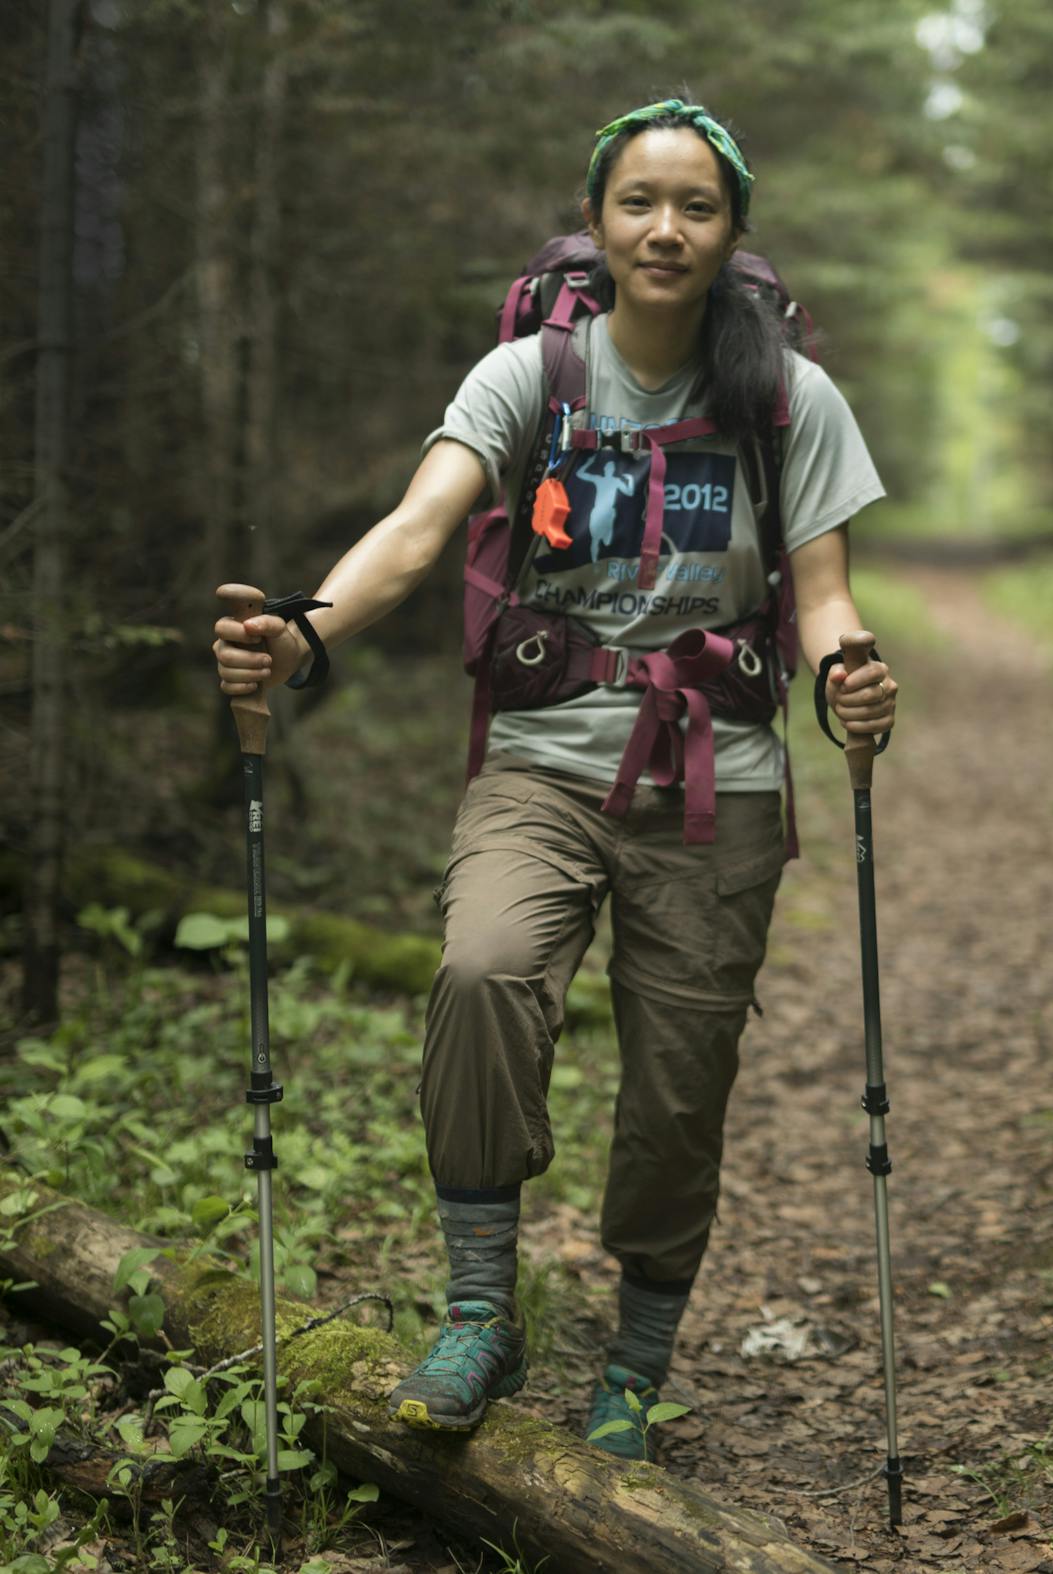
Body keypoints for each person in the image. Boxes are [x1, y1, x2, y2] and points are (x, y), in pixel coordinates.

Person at [213, 97, 898, 1462]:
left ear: (730, 234)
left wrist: (851, 675)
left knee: (678, 1081)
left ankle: (636, 1364)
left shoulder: (784, 397)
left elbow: (823, 597)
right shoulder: (529, 374)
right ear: (596, 222)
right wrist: (306, 629)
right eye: (638, 201)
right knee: (480, 974)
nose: (665, 228)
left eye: (695, 207)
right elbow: (417, 532)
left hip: (722, 783)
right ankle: (481, 1306)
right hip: (539, 757)